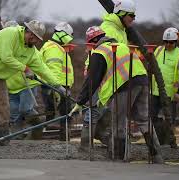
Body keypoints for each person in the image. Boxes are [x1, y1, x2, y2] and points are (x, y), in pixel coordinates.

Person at [70, 26, 164, 163]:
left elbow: (92, 80)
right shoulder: (122, 46)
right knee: (144, 120)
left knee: (118, 122)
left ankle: (118, 158)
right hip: (143, 80)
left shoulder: (100, 51)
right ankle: (157, 156)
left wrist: (80, 102)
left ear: (93, 41)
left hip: (124, 86)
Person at [0, 20, 59, 145]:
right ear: (30, 34)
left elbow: (43, 69)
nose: (37, 42)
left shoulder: (31, 51)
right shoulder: (10, 34)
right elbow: (6, 57)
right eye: (36, 39)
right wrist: (25, 68)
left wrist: (57, 85)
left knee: (3, 107)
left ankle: (4, 139)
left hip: (0, 75)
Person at [152, 27, 179, 148]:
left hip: (171, 94)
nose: (168, 44)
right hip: (155, 91)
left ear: (175, 42)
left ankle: (170, 143)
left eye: (171, 42)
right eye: (166, 42)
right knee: (152, 117)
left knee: (169, 120)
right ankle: (158, 141)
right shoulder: (158, 50)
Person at [40, 22, 74, 141]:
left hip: (57, 86)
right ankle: (61, 139)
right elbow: (53, 71)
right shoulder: (54, 49)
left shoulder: (57, 48)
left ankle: (54, 137)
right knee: (63, 113)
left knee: (54, 112)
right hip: (56, 86)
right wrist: (56, 89)